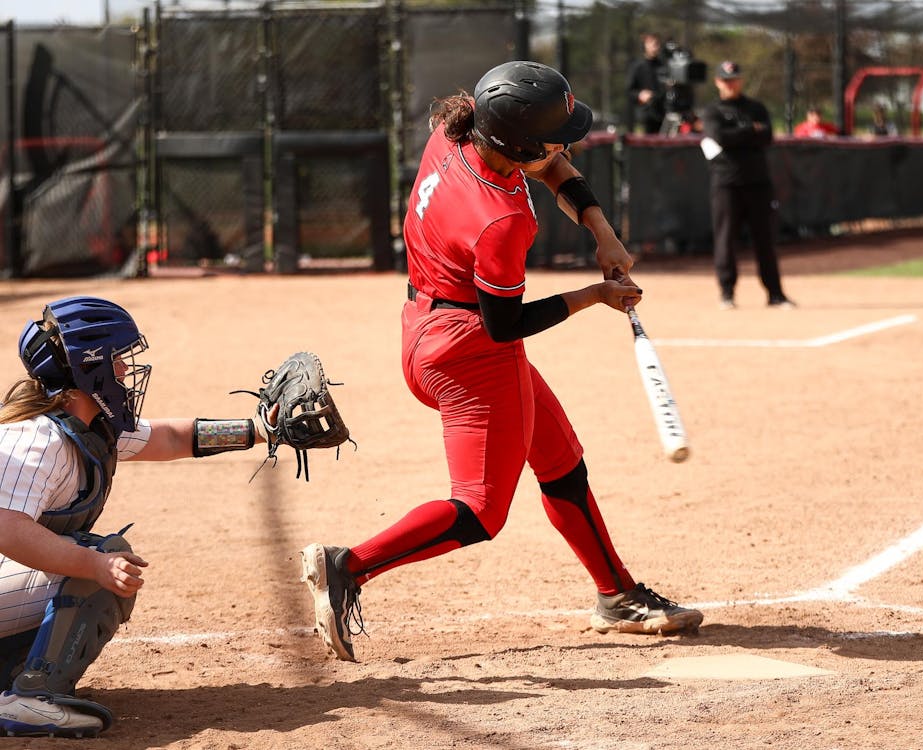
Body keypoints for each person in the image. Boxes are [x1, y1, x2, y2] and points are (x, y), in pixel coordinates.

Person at [300, 60, 704, 663]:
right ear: (517, 143)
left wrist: (601, 230)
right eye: (551, 138)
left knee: (560, 459)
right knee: (481, 509)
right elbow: (506, 324)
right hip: (470, 353)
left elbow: (554, 165)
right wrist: (595, 296)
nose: (562, 146)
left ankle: (616, 595)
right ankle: (349, 567)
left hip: (428, 327)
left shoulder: (457, 132)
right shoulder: (500, 221)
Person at [0, 296, 272, 737]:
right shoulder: (35, 440)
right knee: (101, 558)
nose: (126, 370)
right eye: (117, 358)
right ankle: (31, 697)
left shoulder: (87, 428)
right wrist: (95, 564)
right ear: (90, 367)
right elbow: (8, 531)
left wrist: (257, 429)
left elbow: (169, 438)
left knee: (93, 560)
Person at [701, 60, 795, 309]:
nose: (731, 84)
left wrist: (741, 133)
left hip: (758, 183)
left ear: (741, 80)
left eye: (734, 79)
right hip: (726, 183)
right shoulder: (713, 111)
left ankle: (775, 294)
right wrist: (748, 131)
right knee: (725, 239)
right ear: (718, 82)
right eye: (726, 80)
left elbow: (767, 136)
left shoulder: (756, 107)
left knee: (765, 239)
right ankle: (727, 293)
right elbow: (720, 137)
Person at [626, 33, 669, 134]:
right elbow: (629, 90)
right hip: (644, 116)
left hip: (662, 115)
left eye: (657, 43)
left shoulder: (663, 65)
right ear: (645, 45)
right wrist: (640, 95)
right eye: (652, 43)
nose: (655, 46)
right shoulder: (637, 66)